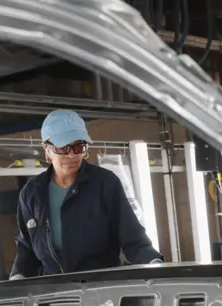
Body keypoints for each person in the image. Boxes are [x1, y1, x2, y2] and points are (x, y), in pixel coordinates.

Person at [10, 109, 163, 279]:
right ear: (47, 148)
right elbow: (27, 248)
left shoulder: (105, 184)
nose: (72, 155)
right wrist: (17, 278)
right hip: (53, 296)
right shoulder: (32, 193)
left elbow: (133, 239)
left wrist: (154, 265)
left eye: (78, 146)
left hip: (100, 291)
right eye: (63, 147)